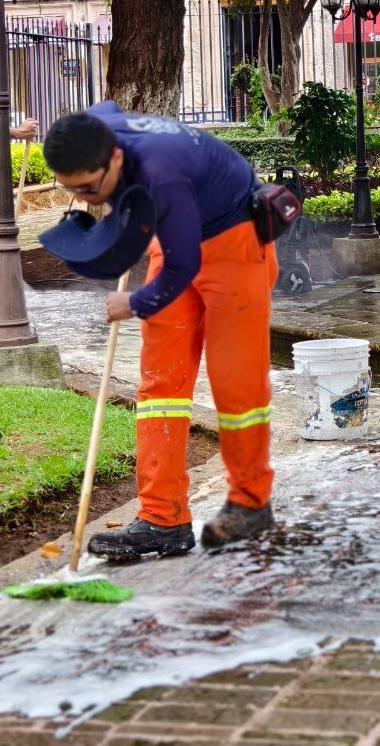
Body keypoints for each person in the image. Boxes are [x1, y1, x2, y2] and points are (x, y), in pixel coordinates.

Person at [42, 102, 278, 559]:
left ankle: (250, 503)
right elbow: (105, 106)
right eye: (72, 190)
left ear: (114, 158)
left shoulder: (162, 173)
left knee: (237, 386)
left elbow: (183, 266)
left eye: (89, 188)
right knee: (159, 384)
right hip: (173, 237)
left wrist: (132, 303)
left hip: (234, 244)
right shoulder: (97, 130)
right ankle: (161, 517)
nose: (86, 200)